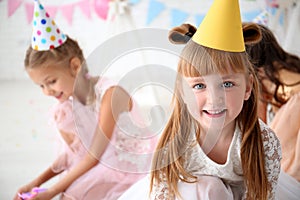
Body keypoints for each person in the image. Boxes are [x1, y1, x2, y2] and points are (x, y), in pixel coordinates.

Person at [119, 0, 281, 199]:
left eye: (227, 84)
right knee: (206, 185)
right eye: (199, 86)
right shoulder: (177, 140)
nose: (214, 99)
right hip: (190, 195)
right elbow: (164, 193)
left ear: (248, 87)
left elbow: (260, 195)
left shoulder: (263, 144)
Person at [14, 0, 154, 199]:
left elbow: (94, 155)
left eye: (51, 81)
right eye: (41, 86)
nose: (47, 91)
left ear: (74, 66)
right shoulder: (69, 107)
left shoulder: (110, 95)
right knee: (70, 193)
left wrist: (53, 190)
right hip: (106, 164)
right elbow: (73, 155)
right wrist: (37, 182)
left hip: (134, 168)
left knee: (71, 194)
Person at [243, 22, 300, 199]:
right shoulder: (290, 65)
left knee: (282, 168)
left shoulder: (260, 76)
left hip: (295, 114)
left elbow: (258, 125)